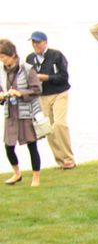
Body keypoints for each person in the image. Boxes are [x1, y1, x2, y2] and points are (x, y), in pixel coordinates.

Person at [24, 32, 74, 169]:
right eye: (33, 42)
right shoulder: (30, 59)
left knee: (59, 124)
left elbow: (64, 76)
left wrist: (46, 77)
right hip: (42, 96)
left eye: (38, 42)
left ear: (45, 42)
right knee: (48, 128)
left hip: (59, 93)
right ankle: (60, 161)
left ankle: (68, 158)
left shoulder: (56, 55)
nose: (36, 45)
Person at [2, 40, 43, 187]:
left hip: (26, 113)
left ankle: (36, 177)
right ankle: (17, 173)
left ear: (12, 54)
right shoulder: (2, 71)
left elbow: (37, 90)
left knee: (32, 145)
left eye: (3, 57)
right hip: (10, 113)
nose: (2, 60)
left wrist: (19, 93)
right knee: (8, 146)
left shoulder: (27, 68)